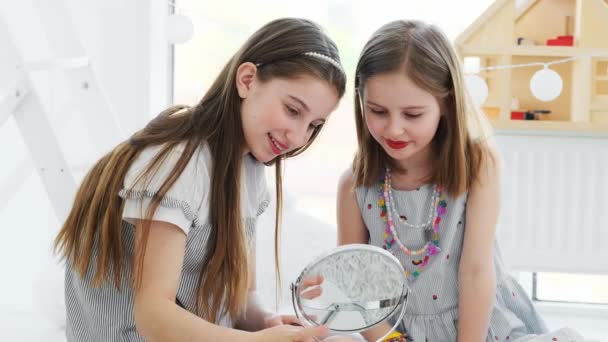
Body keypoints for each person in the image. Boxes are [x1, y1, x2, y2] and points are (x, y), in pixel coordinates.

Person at [54, 17, 346, 342]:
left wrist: (266, 322)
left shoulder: (249, 171)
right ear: (247, 80)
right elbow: (154, 316)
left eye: (314, 125)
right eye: (293, 110)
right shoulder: (177, 165)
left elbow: (240, 302)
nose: (298, 136)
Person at [336, 20, 584, 342]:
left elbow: (476, 272)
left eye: (412, 114)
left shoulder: (478, 165)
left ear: (446, 104)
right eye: (378, 111)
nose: (394, 129)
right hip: (397, 334)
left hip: (479, 328)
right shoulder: (355, 186)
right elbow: (355, 286)